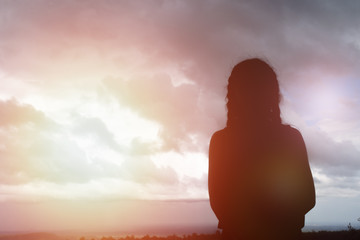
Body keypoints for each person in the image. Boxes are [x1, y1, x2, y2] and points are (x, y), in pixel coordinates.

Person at [208, 58, 315, 240]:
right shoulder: (290, 138)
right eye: (247, 87)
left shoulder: (222, 141)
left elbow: (307, 197)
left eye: (257, 87)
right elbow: (306, 198)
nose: (252, 94)